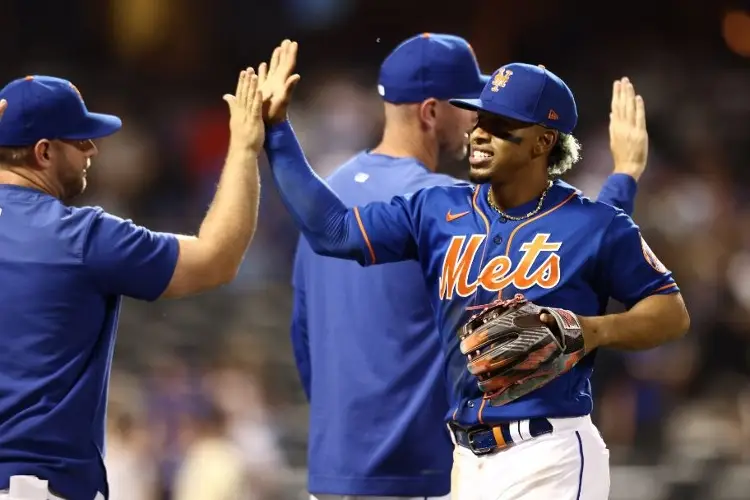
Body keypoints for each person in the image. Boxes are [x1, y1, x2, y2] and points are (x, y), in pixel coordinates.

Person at [260, 47, 690, 500]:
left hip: (549, 455)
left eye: (500, 126)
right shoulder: (435, 209)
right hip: (465, 463)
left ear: (543, 142)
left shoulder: (592, 222)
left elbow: (671, 312)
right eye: (479, 119)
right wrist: (277, 130)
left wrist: (591, 329)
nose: (479, 135)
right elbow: (334, 231)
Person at [0, 69, 266, 500]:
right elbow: (217, 259)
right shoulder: (80, 237)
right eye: (78, 138)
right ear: (44, 152)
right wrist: (245, 147)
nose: (92, 149)